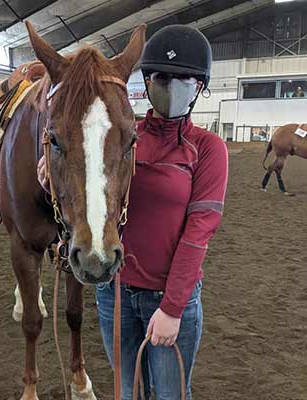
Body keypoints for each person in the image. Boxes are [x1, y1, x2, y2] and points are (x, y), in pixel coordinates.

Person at [38, 25, 228, 400]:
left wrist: (172, 308)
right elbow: (92, 183)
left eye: (184, 79)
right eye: (162, 77)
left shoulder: (208, 149)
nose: (171, 86)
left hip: (171, 298)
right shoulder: (122, 134)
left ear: (200, 87)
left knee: (171, 394)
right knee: (127, 392)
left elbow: (199, 232)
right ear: (148, 81)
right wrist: (51, 179)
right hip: (116, 293)